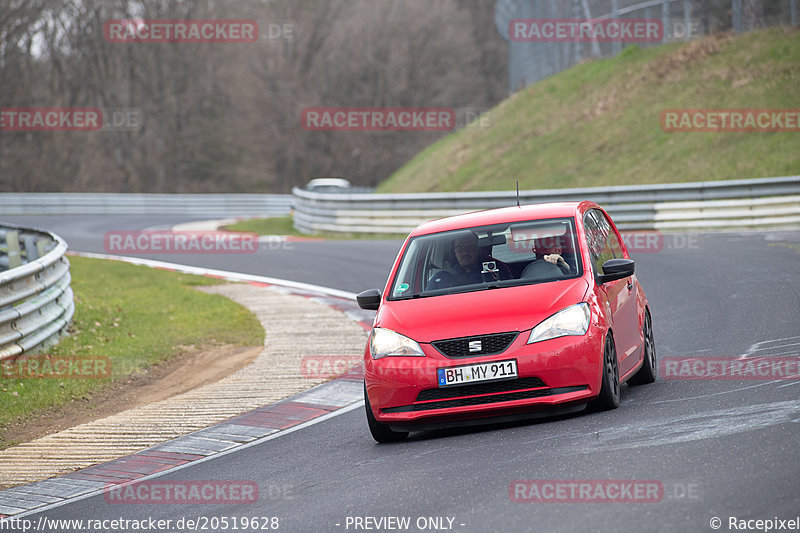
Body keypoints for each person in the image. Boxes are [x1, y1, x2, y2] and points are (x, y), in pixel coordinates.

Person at [426, 232, 511, 290]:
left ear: (479, 249)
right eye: (460, 248)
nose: (465, 252)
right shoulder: (439, 279)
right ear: (454, 252)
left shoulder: (498, 271)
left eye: (470, 247)